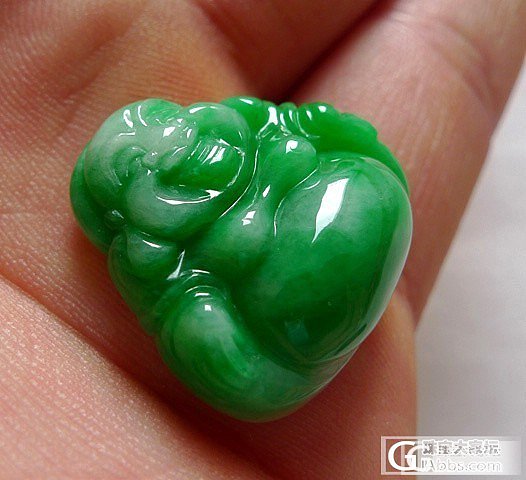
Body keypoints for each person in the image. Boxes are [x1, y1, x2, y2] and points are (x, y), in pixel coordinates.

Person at [0, 1, 524, 478]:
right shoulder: (166, 256)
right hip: (277, 326)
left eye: (179, 126)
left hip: (350, 214)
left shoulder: (256, 135)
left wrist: (308, 136)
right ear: (129, 212)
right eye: (142, 165)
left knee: (353, 185)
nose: (181, 147)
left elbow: (303, 137)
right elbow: (230, 264)